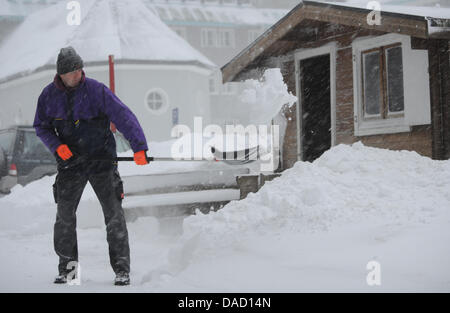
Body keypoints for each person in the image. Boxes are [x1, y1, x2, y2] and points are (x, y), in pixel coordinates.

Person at [33, 46, 149, 286]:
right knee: (64, 217)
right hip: (70, 163)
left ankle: (121, 270)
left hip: (101, 161)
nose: (77, 75)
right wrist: (57, 147)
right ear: (61, 74)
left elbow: (123, 115)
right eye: (71, 72)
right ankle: (68, 270)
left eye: (78, 69)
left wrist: (139, 147)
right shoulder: (48, 96)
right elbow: (41, 126)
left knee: (114, 215)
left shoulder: (96, 90)